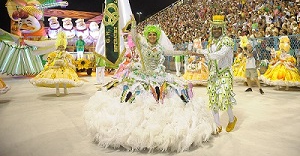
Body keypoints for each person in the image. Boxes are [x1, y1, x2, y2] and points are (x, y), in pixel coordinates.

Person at [83, 21, 215, 152]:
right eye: (150, 34)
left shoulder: (160, 49)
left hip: (159, 77)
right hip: (143, 77)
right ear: (147, 35)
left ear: (157, 36)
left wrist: (185, 52)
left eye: (154, 34)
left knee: (169, 97)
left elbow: (171, 53)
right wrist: (133, 26)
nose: (152, 36)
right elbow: (134, 37)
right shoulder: (143, 45)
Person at [198, 14, 237, 134]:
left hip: (224, 73)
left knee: (224, 97)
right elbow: (207, 52)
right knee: (213, 99)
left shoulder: (227, 41)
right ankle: (217, 124)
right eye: (214, 28)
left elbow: (220, 54)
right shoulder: (211, 43)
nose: (216, 30)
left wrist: (204, 54)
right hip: (213, 74)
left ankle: (232, 119)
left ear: (222, 29)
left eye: (218, 28)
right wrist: (198, 52)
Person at [30, 32, 84, 96]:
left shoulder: (66, 54)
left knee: (65, 79)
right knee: (57, 79)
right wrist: (54, 62)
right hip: (56, 67)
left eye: (62, 47)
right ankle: (57, 89)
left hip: (64, 67)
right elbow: (49, 58)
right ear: (57, 47)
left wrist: (68, 62)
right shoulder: (54, 53)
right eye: (60, 47)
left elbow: (71, 58)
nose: (61, 48)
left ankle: (65, 88)